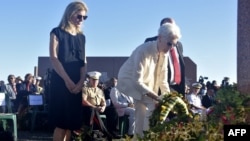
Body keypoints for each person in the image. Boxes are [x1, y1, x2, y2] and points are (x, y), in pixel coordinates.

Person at [117, 23, 182, 138]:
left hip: (147, 84)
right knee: (142, 117)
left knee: (149, 116)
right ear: (160, 38)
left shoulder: (165, 54)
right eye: (169, 44)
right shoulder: (143, 51)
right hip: (131, 82)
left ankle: (146, 136)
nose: (171, 48)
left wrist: (167, 98)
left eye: (174, 45)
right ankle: (142, 136)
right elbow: (137, 81)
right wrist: (157, 98)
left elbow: (163, 81)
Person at [48, 1, 88, 141]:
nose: (81, 20)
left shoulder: (82, 37)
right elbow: (54, 58)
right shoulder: (56, 32)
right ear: (70, 14)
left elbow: (83, 62)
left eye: (84, 17)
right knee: (61, 124)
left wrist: (81, 82)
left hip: (77, 83)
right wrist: (68, 81)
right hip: (61, 81)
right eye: (79, 16)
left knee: (71, 124)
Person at [145, 17, 185, 96]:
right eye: (168, 26)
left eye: (174, 26)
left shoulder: (179, 45)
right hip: (160, 89)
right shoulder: (151, 42)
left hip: (178, 89)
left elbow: (179, 66)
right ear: (161, 28)